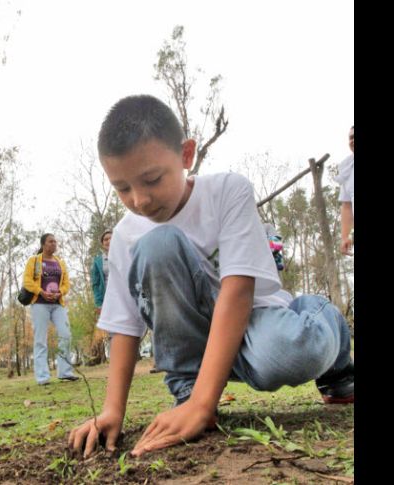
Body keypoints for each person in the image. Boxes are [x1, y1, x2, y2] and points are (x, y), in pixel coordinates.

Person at [68, 95, 354, 457]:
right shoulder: (127, 234)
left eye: (152, 179)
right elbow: (125, 326)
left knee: (290, 356)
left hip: (255, 321)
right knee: (158, 244)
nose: (139, 200)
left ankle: (324, 322)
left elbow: (237, 293)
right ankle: (187, 392)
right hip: (198, 343)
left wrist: (205, 405)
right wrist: (112, 411)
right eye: (122, 188)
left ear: (186, 155)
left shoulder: (227, 192)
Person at [23, 234, 80, 385]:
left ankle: (65, 372)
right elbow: (27, 281)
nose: (54, 244)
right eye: (51, 241)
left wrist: (60, 292)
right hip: (39, 304)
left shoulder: (60, 263)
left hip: (58, 304)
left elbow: (67, 283)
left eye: (55, 242)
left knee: (65, 334)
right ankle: (42, 377)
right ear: (43, 244)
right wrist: (41, 292)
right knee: (40, 339)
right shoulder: (34, 261)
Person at [335, 126, 354, 255]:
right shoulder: (347, 168)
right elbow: (347, 205)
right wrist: (345, 237)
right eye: (351, 137)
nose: (353, 140)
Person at [90, 230, 112, 313]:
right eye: (106, 239)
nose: (109, 241)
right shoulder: (98, 261)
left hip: (125, 298)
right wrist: (99, 304)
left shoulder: (124, 256)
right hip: (108, 299)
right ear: (103, 244)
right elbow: (95, 284)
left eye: (112, 238)